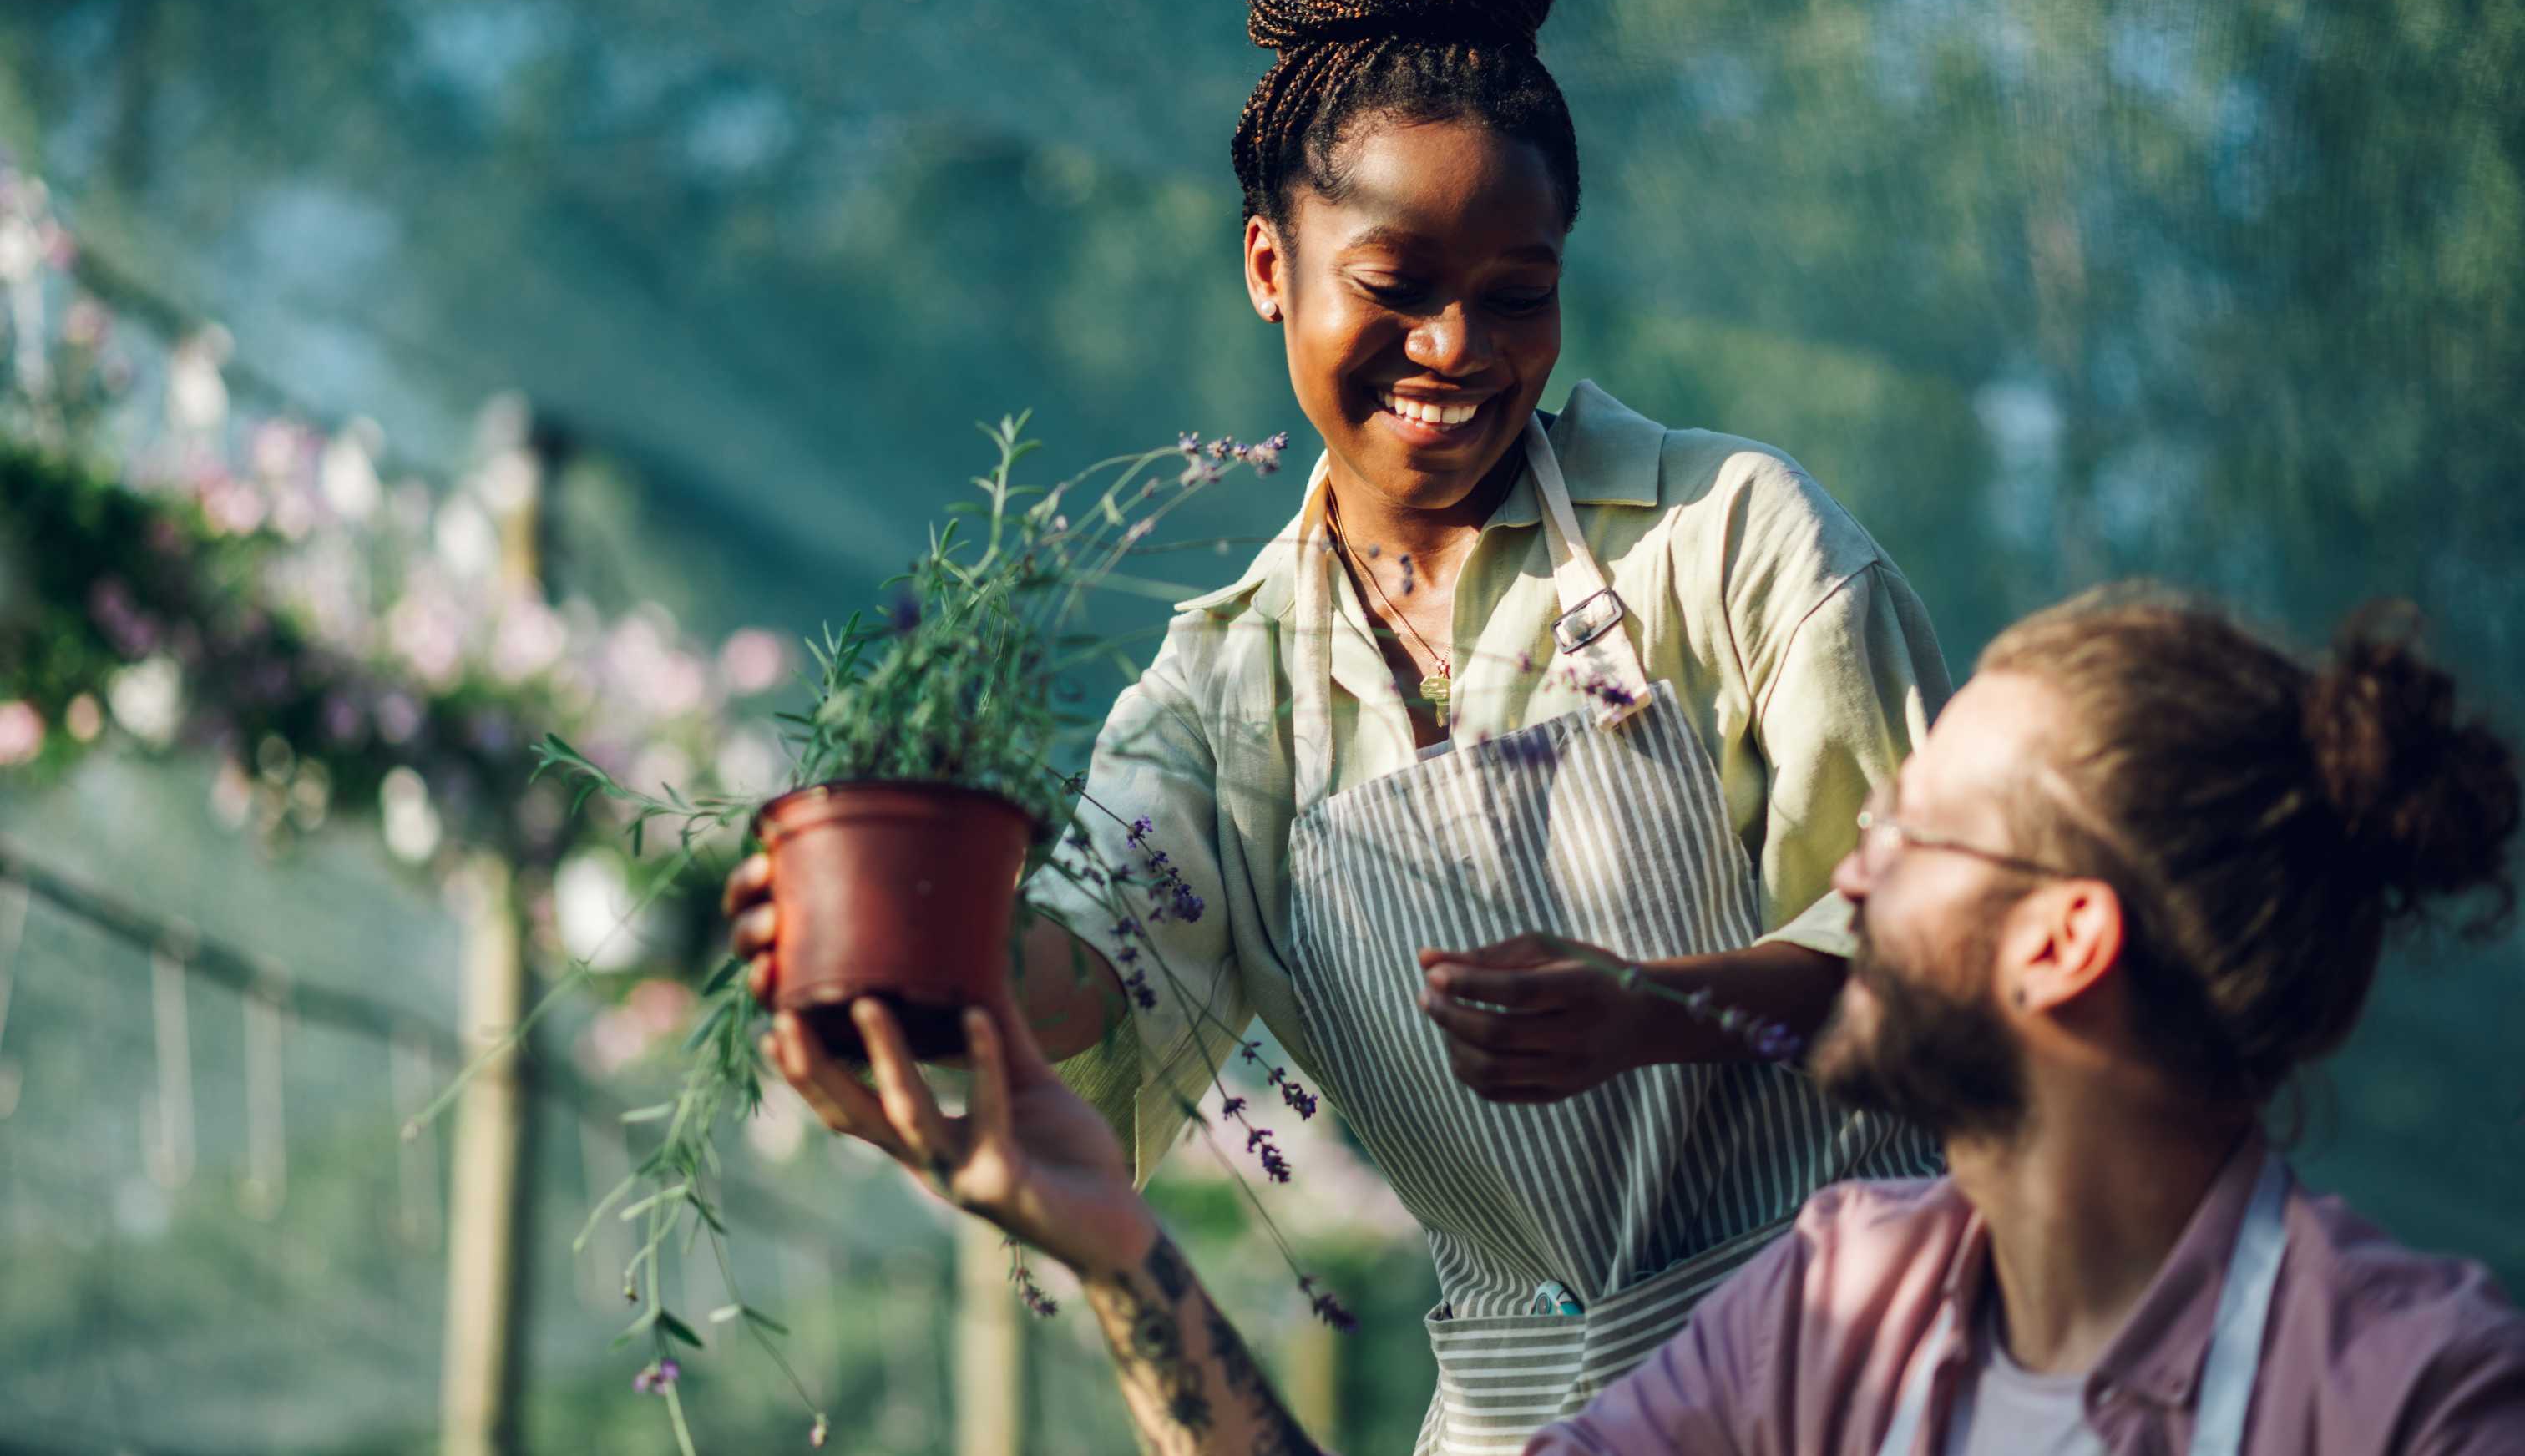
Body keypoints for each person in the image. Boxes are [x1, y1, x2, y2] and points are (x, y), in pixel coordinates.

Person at [731, 0, 1945, 1449]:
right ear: (1266, 267)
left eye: (1519, 291)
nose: (1458, 345)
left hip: (1862, 1362)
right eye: (1396, 279)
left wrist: (1664, 1002)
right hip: (1526, 1417)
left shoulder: (1729, 542)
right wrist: (904, 946)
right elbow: (1093, 971)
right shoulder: (1229, 686)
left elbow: (1953, 945)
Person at [761, 587, 2525, 1453]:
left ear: (2064, 940)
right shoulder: (1842, 1311)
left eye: (1913, 828)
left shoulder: (2411, 1395)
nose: (1859, 859)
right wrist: (1108, 1233)